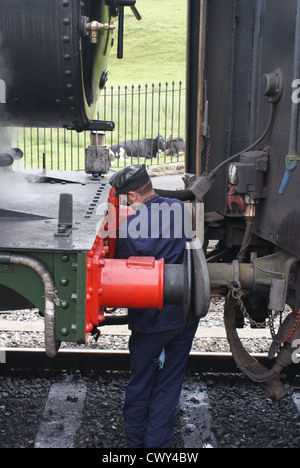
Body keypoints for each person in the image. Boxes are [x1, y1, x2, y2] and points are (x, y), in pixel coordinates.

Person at [109, 164, 199, 448]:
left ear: (133, 195)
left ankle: (136, 444)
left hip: (150, 321)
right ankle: (158, 447)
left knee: (141, 383)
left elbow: (121, 279)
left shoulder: (127, 231)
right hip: (183, 315)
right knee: (168, 384)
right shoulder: (178, 209)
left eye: (125, 198)